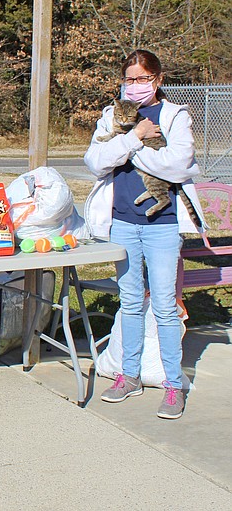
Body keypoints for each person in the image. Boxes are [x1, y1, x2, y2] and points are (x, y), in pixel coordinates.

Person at [83, 49, 204, 419]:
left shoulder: (173, 116)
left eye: (143, 79)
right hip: (123, 222)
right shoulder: (111, 116)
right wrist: (135, 137)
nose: (135, 86)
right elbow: (95, 161)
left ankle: (173, 385)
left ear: (158, 80)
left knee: (165, 307)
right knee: (131, 302)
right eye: (129, 79)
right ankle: (129, 375)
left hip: (162, 224)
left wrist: (125, 149)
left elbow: (178, 166)